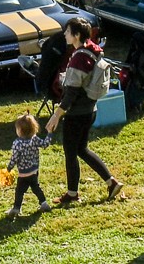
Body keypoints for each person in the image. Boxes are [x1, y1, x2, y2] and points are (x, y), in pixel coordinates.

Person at [46, 17, 123, 206]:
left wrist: (56, 115)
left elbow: (71, 92)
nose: (64, 34)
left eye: (67, 31)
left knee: (71, 152)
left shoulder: (80, 57)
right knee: (81, 149)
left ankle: (72, 193)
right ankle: (111, 182)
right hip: (90, 109)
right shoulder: (92, 50)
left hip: (77, 113)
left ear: (76, 35)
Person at [5, 112, 53, 217]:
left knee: (19, 191)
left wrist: (9, 168)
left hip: (23, 174)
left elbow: (15, 158)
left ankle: (16, 208)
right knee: (36, 187)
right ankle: (44, 203)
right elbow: (45, 144)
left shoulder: (17, 143)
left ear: (20, 130)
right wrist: (49, 133)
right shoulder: (35, 139)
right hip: (34, 171)